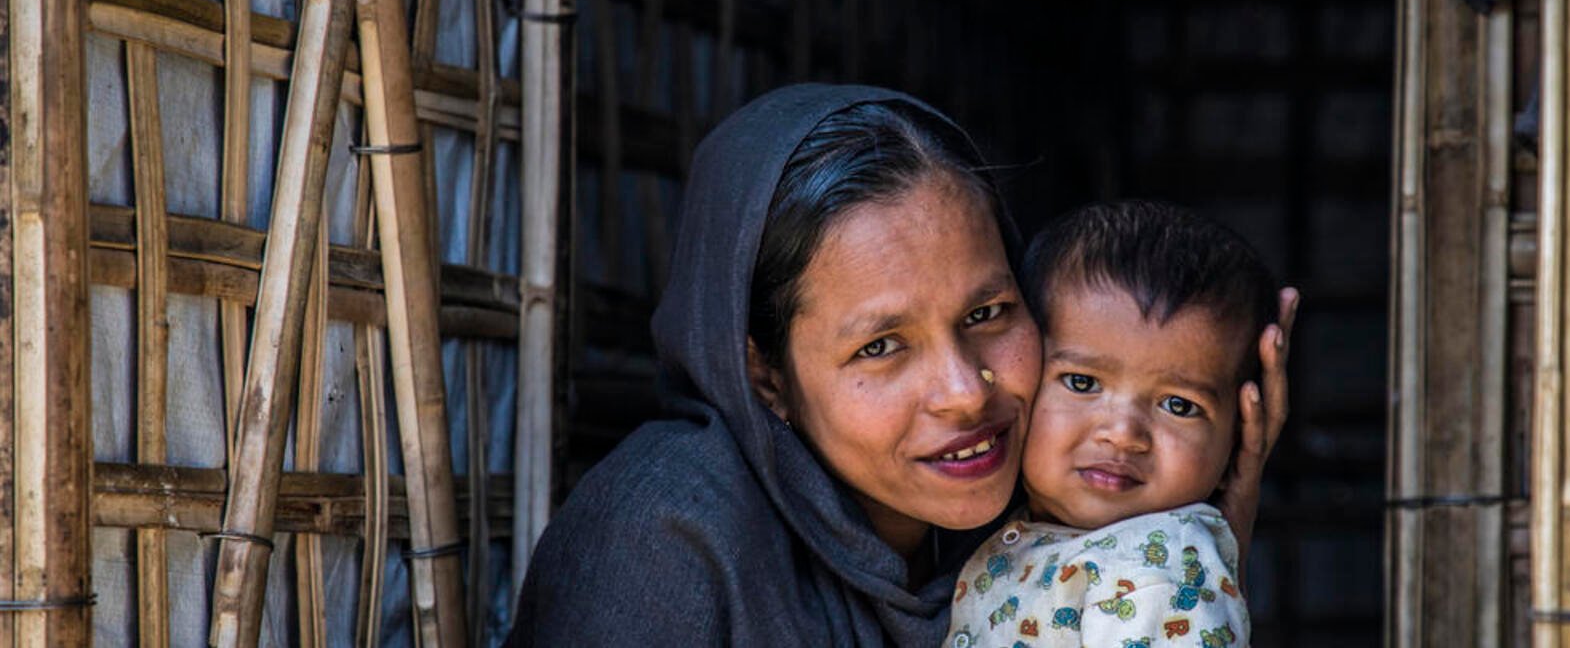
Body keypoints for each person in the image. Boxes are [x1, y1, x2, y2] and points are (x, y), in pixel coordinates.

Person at [508, 85, 1293, 646]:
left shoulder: (1039, 526)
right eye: (879, 346)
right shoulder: (665, 540)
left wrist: (1202, 532)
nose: (964, 392)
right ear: (763, 372)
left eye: (988, 314)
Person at [944, 200, 1279, 648]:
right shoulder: (1010, 530)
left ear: (1238, 439)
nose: (1122, 434)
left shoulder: (1161, 576)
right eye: (1082, 382)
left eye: (1178, 406)